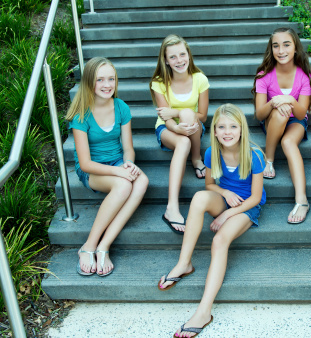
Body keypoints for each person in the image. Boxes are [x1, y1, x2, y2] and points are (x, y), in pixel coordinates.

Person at [158, 104, 266, 337]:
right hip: (225, 198)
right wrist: (225, 193)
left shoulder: (254, 155)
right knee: (199, 197)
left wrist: (228, 213)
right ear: (214, 131)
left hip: (247, 206)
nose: (228, 132)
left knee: (219, 241)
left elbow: (256, 197)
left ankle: (204, 311)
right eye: (222, 127)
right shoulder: (211, 153)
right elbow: (209, 185)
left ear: (242, 129)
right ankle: (184, 263)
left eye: (233, 126)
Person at [66, 57, 149, 277]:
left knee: (142, 180)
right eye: (100, 79)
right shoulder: (81, 114)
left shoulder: (120, 107)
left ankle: (104, 246)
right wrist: (119, 171)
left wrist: (128, 163)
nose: (106, 84)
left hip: (117, 163)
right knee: (123, 185)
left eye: (110, 79)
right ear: (88, 83)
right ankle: (88, 246)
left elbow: (128, 148)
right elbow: (85, 163)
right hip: (92, 170)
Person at [252, 27, 311, 224]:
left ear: (296, 48)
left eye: (286, 45)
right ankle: (269, 158)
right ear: (271, 50)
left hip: (296, 121)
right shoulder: (265, 75)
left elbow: (300, 113)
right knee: (280, 114)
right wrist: (274, 102)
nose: (281, 50)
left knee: (289, 143)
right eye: (276, 46)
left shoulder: (304, 76)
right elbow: (259, 114)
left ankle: (302, 200)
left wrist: (288, 99)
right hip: (273, 119)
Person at [150, 34, 210, 234]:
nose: (179, 61)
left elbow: (202, 116)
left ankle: (195, 158)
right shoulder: (159, 82)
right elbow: (163, 116)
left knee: (187, 113)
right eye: (173, 57)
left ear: (189, 55)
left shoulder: (200, 79)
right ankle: (172, 207)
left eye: (182, 54)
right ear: (166, 60)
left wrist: (178, 113)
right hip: (168, 129)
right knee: (182, 142)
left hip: (194, 126)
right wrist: (176, 128)